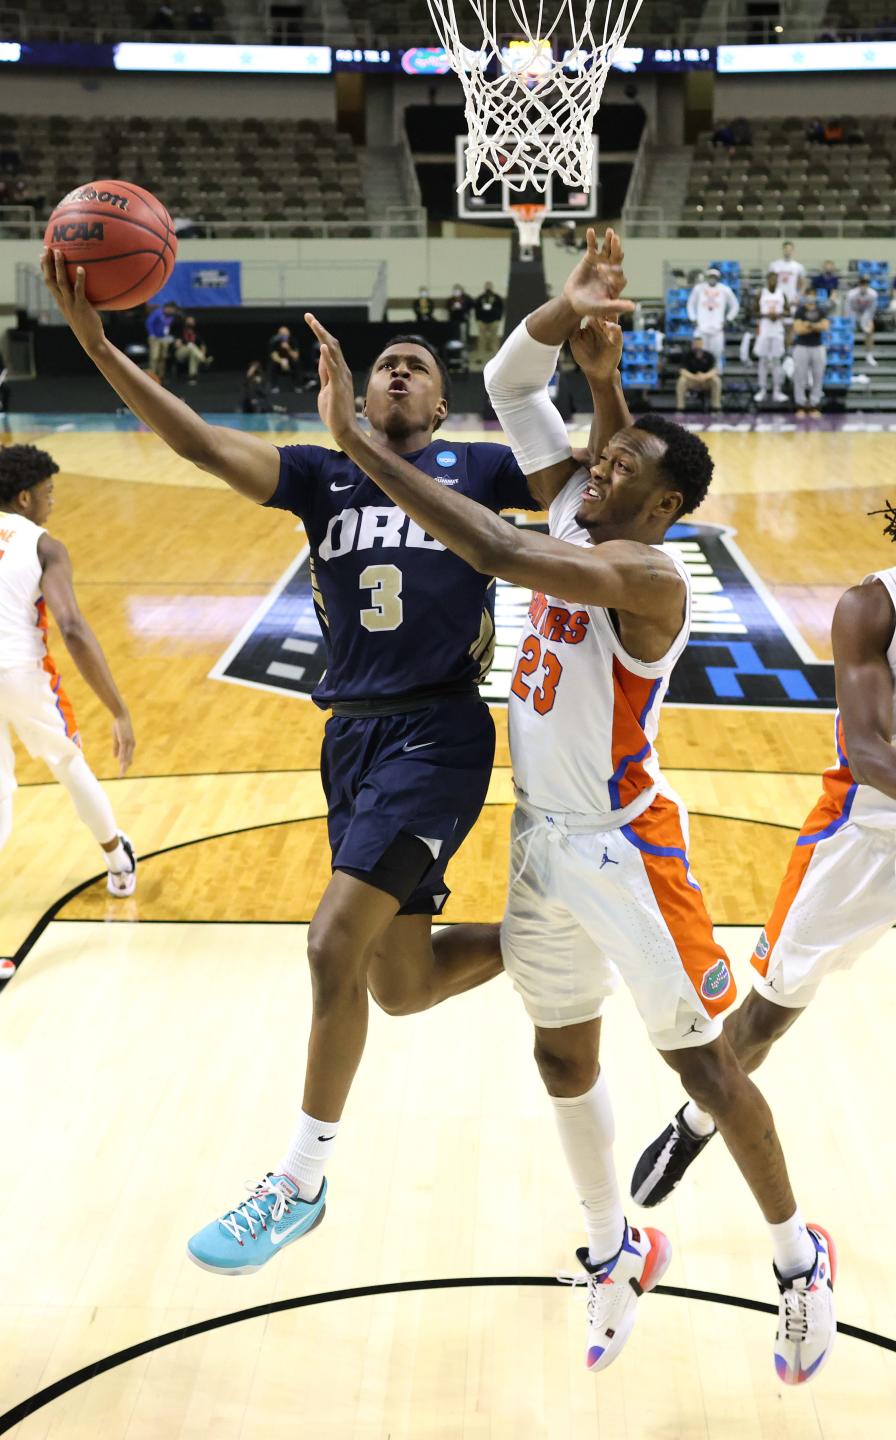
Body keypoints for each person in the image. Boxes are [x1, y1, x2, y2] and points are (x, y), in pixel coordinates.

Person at [40, 238, 630, 1275]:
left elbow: (602, 499)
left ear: (442, 410)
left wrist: (597, 376)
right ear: (357, 392)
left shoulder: (482, 469)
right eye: (383, 362)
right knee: (399, 986)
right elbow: (197, 444)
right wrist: (95, 341)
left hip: (438, 733)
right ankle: (576, 929)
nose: (398, 368)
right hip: (348, 740)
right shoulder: (318, 474)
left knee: (327, 948)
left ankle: (299, 1181)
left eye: (420, 366)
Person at [306, 238, 838, 1388]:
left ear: (667, 501)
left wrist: (355, 441)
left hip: (631, 850)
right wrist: (580, 338)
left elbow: (491, 541)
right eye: (597, 462)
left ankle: (800, 1261)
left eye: (618, 468)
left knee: (703, 1071)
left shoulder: (642, 573)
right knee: (559, 1056)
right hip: (544, 840)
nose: (591, 473)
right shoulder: (585, 517)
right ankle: (613, 1244)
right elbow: (507, 387)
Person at [631, 434, 896, 1214]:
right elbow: (873, 755)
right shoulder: (874, 604)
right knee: (766, 1016)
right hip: (858, 840)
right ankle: (696, 1119)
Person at [0, 445, 137, 911]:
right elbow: (72, 627)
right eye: (48, 493)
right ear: (23, 499)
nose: (52, 502)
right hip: (21, 672)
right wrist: (117, 709)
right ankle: (118, 862)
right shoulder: (43, 544)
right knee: (67, 762)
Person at [685, 268, 739, 371]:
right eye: (710, 276)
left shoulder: (725, 290)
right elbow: (690, 304)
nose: (712, 279)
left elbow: (735, 305)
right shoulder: (698, 289)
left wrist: (728, 319)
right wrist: (693, 318)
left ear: (718, 278)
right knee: (698, 356)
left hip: (717, 329)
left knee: (717, 356)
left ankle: (717, 379)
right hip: (701, 328)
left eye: (714, 277)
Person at [791, 289, 829, 415]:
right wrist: (816, 326)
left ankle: (814, 404)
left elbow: (825, 326)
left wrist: (808, 325)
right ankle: (800, 405)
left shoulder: (821, 310)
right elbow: (798, 329)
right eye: (808, 295)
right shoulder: (800, 310)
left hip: (817, 346)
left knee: (818, 376)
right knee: (800, 376)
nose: (810, 298)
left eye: (813, 295)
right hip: (801, 346)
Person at [755, 272, 788, 404]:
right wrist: (766, 314)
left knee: (776, 361)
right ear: (767, 280)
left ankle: (777, 390)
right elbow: (752, 311)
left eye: (775, 279)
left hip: (777, 330)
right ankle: (762, 389)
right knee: (763, 361)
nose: (773, 281)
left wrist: (778, 314)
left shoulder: (782, 294)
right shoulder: (761, 293)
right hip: (764, 329)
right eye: (771, 279)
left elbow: (788, 311)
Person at [675, 334, 721, 412]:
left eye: (699, 344)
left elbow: (714, 370)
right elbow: (682, 371)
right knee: (681, 381)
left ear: (703, 344)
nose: (697, 346)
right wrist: (694, 377)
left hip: (706, 381)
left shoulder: (709, 355)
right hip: (692, 380)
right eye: (696, 344)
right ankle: (680, 408)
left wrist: (704, 376)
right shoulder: (687, 355)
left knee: (716, 380)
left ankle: (716, 407)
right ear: (693, 345)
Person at [845, 275, 878, 366]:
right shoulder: (851, 294)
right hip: (853, 312)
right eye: (862, 283)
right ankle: (847, 352)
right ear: (859, 284)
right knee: (848, 330)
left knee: (870, 330)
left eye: (866, 283)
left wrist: (869, 321)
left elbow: (872, 309)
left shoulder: (873, 294)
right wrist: (848, 322)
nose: (864, 285)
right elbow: (847, 309)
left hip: (866, 313)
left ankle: (869, 355)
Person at [174, 315, 213, 383]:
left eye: (192, 321)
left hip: (193, 353)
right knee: (192, 347)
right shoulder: (180, 330)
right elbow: (177, 345)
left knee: (193, 353)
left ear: (194, 323)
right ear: (185, 322)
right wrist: (185, 345)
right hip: (181, 352)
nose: (190, 322)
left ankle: (192, 377)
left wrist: (202, 352)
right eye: (188, 321)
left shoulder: (196, 332)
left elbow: (203, 345)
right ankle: (203, 360)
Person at [474, 281, 505, 367]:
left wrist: (498, 319)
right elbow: (476, 309)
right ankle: (480, 357)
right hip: (482, 322)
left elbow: (501, 308)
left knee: (494, 340)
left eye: (489, 286)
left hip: (494, 321)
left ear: (492, 287)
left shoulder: (496, 297)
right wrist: (478, 320)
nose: (488, 288)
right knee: (481, 340)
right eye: (487, 286)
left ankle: (497, 357)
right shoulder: (481, 298)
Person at [769, 241, 805, 309]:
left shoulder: (798, 266)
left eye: (790, 250)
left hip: (792, 297)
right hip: (777, 296)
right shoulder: (774, 265)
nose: (788, 251)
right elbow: (769, 283)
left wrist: (798, 297)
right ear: (783, 250)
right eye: (786, 249)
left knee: (791, 318)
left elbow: (803, 284)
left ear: (793, 250)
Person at [145, 301, 176, 381]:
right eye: (172, 310)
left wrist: (167, 337)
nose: (173, 311)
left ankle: (161, 376)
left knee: (163, 357)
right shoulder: (157, 313)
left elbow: (167, 327)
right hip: (155, 338)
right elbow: (149, 322)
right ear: (168, 308)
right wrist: (151, 334)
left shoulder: (171, 317)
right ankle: (152, 376)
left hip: (164, 338)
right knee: (155, 357)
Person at [267, 325, 301, 392]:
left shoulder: (293, 341)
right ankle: (274, 386)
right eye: (282, 333)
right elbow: (274, 356)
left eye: (285, 332)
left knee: (297, 363)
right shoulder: (274, 341)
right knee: (272, 364)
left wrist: (288, 348)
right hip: (279, 362)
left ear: (289, 333)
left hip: (290, 362)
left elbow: (296, 356)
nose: (284, 334)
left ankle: (297, 386)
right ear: (278, 334)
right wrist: (282, 361)